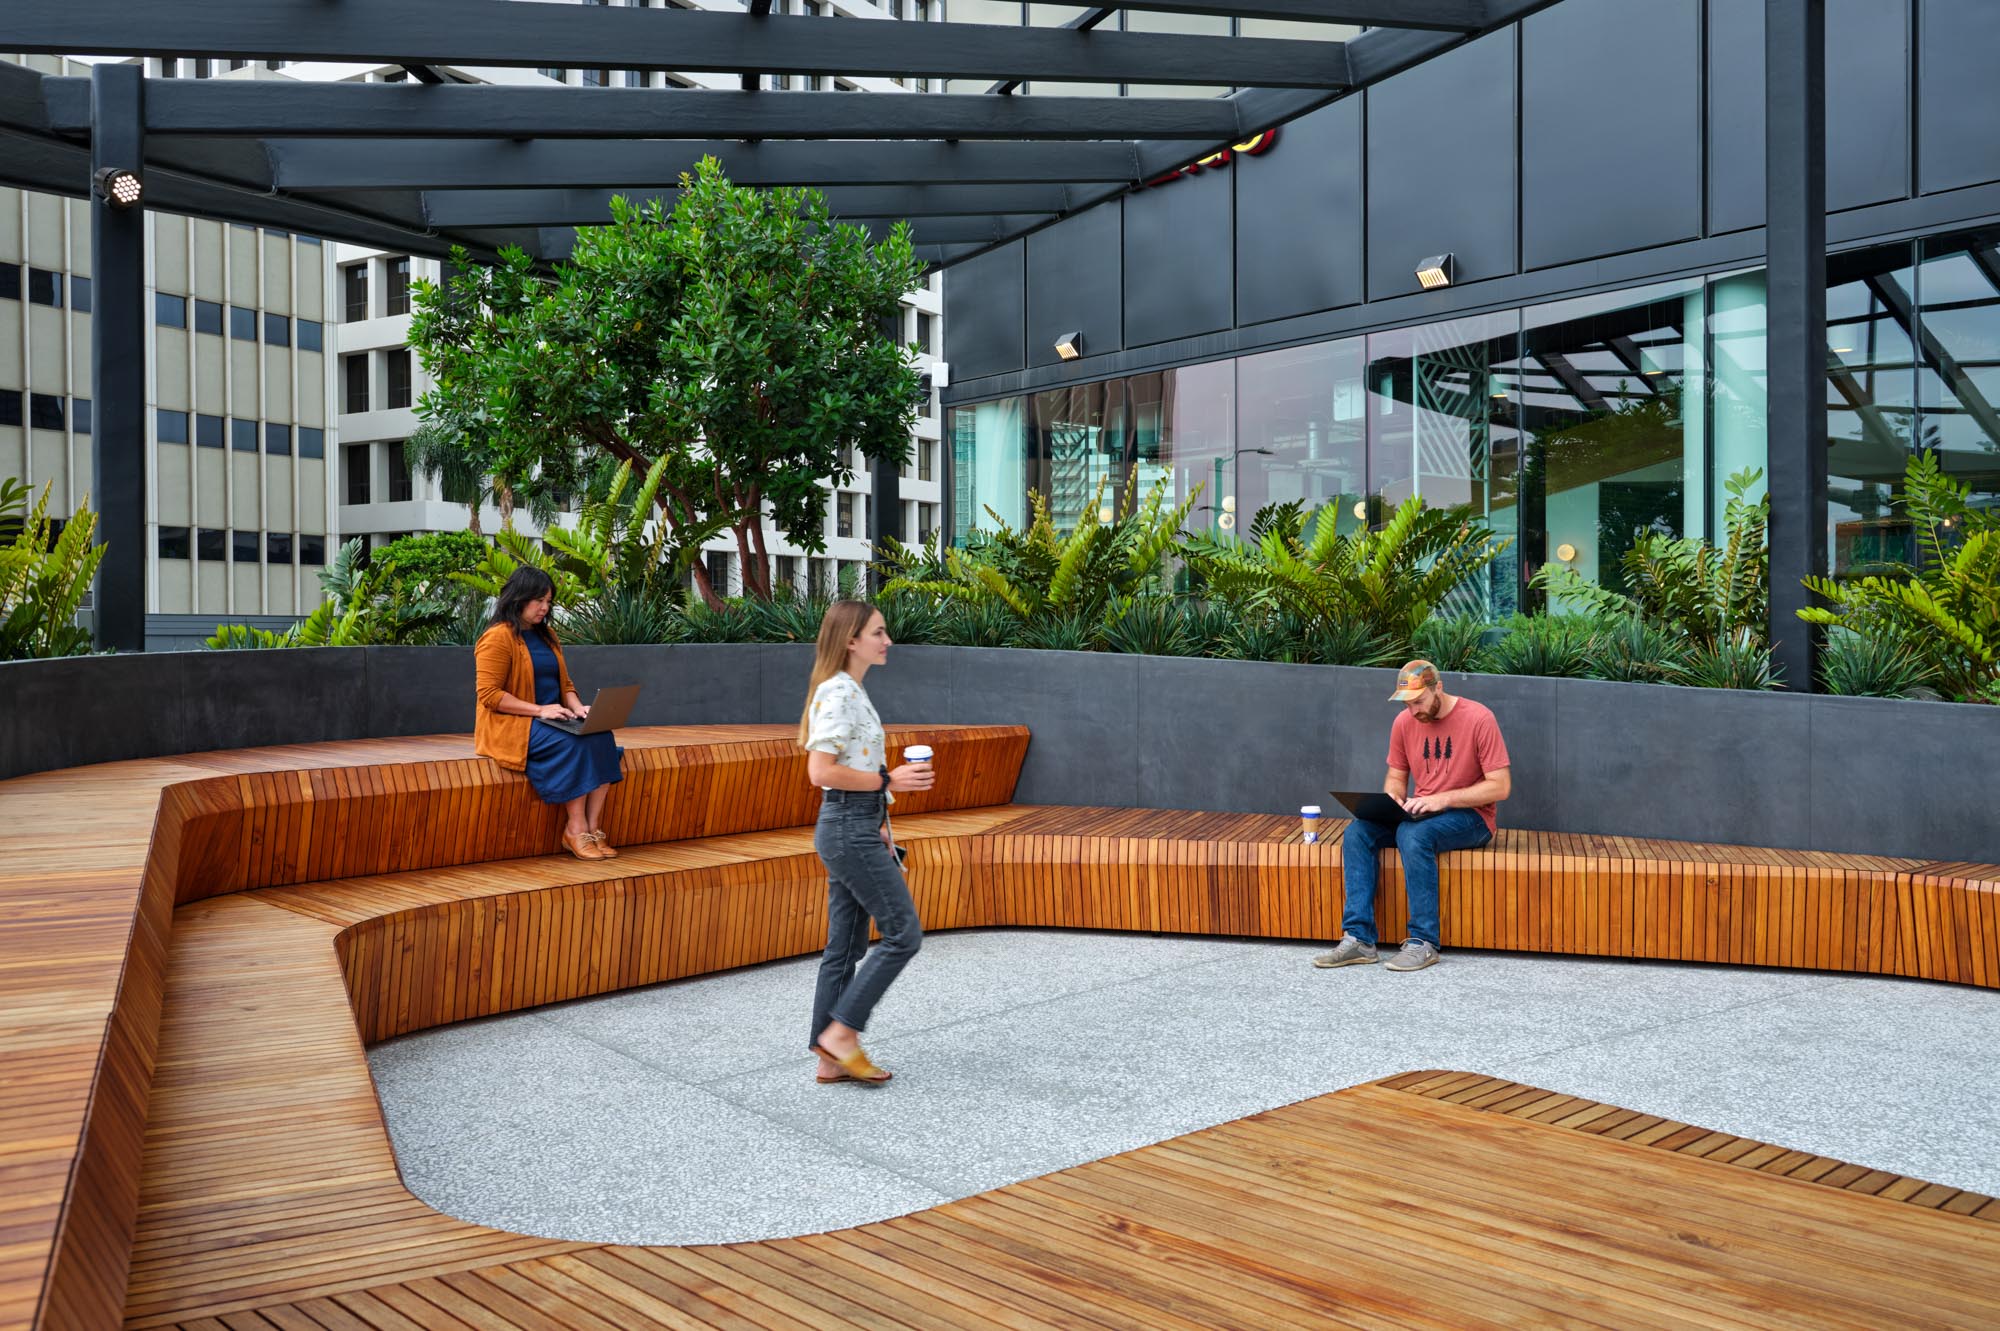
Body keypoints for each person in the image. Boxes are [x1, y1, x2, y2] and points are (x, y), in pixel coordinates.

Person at [800, 599, 935, 1085]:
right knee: (903, 934)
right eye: (878, 632)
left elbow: (844, 772)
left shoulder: (848, 691)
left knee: (846, 947)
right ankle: (841, 1034)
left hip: (853, 824)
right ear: (851, 640)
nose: (887, 641)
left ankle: (828, 1057)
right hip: (846, 827)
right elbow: (821, 773)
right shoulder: (839, 693)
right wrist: (888, 782)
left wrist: (878, 813)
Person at [1315, 659, 1511, 973]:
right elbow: (1396, 776)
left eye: (1419, 701)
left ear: (1439, 689)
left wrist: (1442, 799)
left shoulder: (1478, 718)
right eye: (1406, 703)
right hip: (1419, 813)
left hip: (1471, 818)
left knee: (1413, 835)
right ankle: (1359, 940)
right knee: (1357, 832)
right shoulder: (1404, 723)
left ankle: (1423, 942)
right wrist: (1393, 798)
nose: (1413, 710)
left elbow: (1500, 787)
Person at [474, 567, 625, 862]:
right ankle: (575, 828)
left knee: (602, 735)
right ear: (518, 598)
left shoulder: (548, 636)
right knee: (576, 744)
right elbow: (489, 695)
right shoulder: (497, 638)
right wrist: (539, 709)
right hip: (513, 724)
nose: (545, 608)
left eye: (548, 601)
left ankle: (594, 828)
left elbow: (565, 685)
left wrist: (577, 708)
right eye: (539, 600)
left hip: (553, 718)